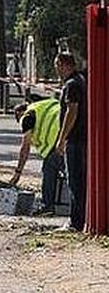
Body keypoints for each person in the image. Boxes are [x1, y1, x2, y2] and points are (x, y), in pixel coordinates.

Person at [11, 99, 64, 213]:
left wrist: (18, 172)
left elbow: (25, 147)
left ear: (19, 113)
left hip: (57, 140)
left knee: (50, 171)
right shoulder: (44, 104)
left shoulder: (27, 117)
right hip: (70, 131)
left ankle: (48, 206)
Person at [54, 53, 87, 231]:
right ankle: (81, 218)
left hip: (74, 139)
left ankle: (76, 222)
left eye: (57, 65)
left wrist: (62, 138)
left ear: (64, 65)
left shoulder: (71, 84)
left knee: (74, 180)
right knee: (79, 179)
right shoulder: (81, 80)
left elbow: (71, 112)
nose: (56, 70)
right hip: (82, 138)